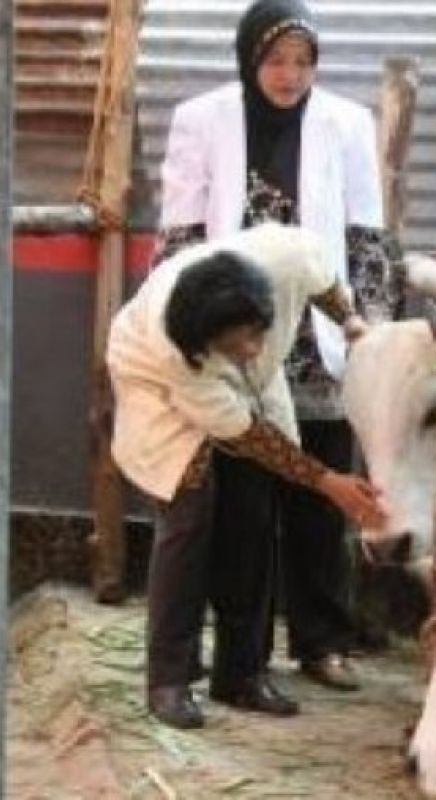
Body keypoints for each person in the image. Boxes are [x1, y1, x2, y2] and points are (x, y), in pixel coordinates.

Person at [153, 0, 396, 693]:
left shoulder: (347, 123)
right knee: (243, 501)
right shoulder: (202, 119)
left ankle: (321, 641)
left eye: (303, 62)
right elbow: (179, 238)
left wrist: (369, 329)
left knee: (322, 493)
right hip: (236, 337)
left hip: (315, 335)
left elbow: (367, 239)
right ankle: (245, 657)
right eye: (275, 60)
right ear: (249, 58)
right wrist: (192, 335)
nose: (290, 76)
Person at [107, 224, 388, 730]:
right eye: (245, 339)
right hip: (154, 385)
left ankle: (241, 673)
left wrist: (350, 322)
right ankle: (169, 679)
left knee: (254, 511)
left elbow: (323, 283)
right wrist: (330, 482)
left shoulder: (282, 258)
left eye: (262, 330)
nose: (258, 346)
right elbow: (243, 432)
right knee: (190, 512)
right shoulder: (175, 350)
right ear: (208, 338)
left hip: (245, 385)